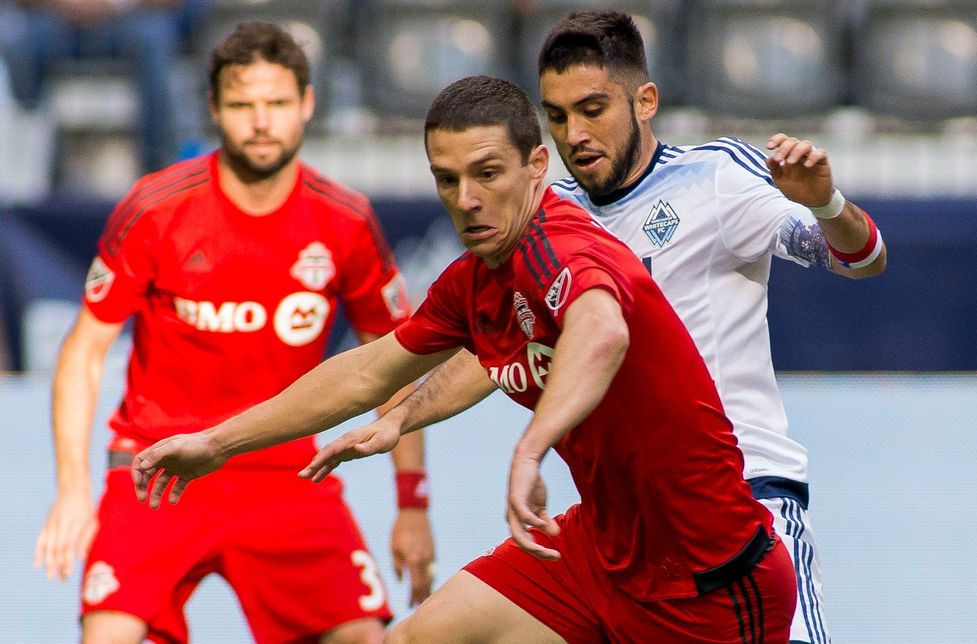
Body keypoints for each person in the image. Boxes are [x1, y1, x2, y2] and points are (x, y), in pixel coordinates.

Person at [131, 74, 799, 643]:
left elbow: (603, 331)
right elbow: (367, 372)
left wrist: (531, 449)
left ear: (537, 167)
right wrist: (221, 442)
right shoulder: (476, 281)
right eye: (447, 180)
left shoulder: (561, 246)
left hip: (708, 581)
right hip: (599, 552)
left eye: (486, 174)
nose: (467, 200)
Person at [369, 10, 888, 644]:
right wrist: (401, 416)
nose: (575, 133)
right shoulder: (548, 216)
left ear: (645, 101)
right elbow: (497, 354)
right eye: (557, 116)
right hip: (626, 522)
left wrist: (826, 203)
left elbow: (857, 257)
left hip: (741, 503)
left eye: (593, 109)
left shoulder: (714, 179)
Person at [31, 21, 428, 643]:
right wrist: (73, 490)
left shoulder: (345, 221)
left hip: (288, 471)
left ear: (307, 104)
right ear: (215, 109)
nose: (261, 122)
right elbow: (84, 350)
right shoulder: (156, 208)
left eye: (276, 104)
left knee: (363, 639)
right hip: (155, 468)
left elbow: (395, 365)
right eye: (242, 105)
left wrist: (413, 504)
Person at [0, 0, 203, 173]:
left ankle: (157, 166)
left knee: (155, 38)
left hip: (129, 21)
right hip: (61, 23)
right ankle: (30, 162)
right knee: (18, 45)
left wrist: (111, 6)